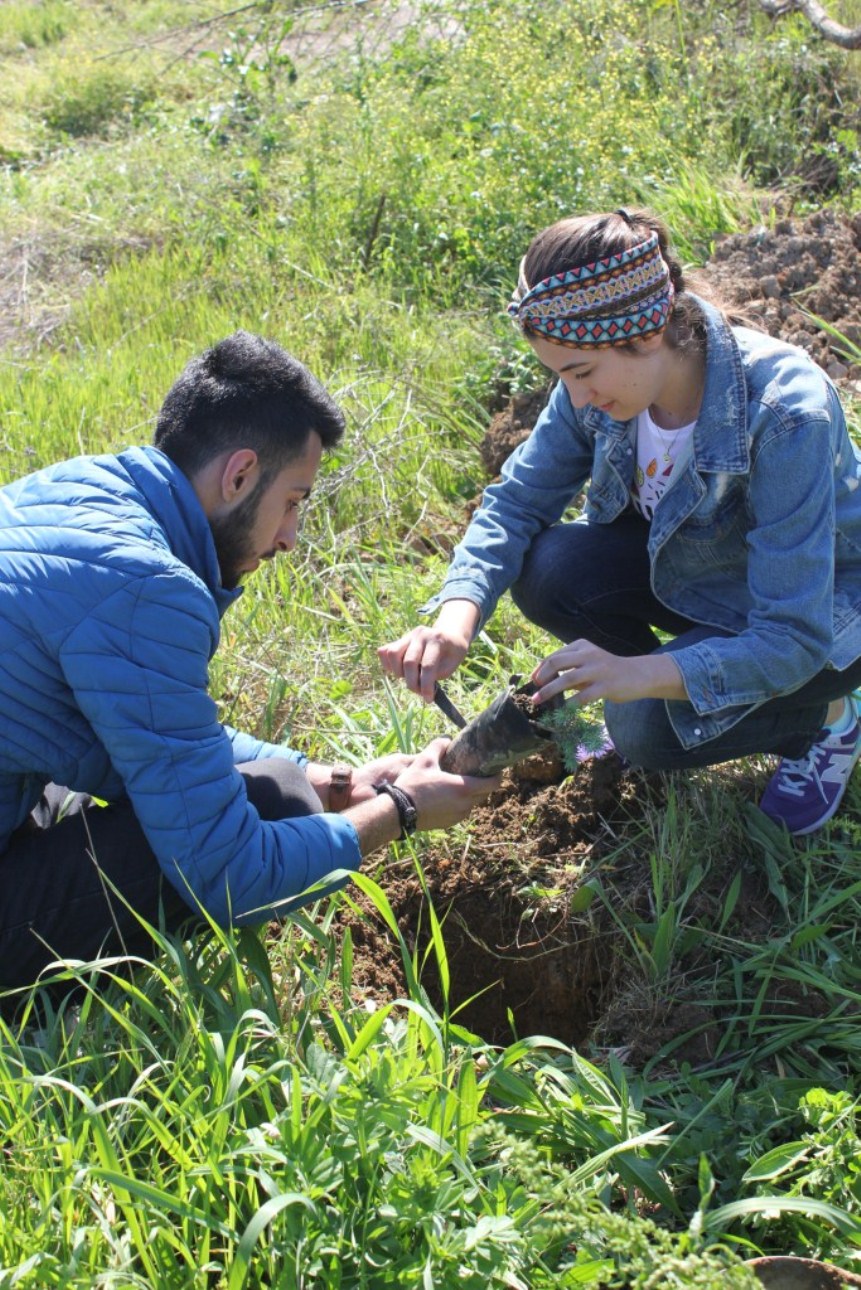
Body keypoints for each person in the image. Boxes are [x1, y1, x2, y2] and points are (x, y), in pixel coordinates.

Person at [0, 330, 496, 997]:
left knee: (272, 786)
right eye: (292, 501)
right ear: (238, 475)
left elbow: (158, 735)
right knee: (267, 807)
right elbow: (232, 878)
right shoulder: (145, 584)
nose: (290, 536)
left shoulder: (78, 490)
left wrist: (333, 780)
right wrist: (400, 810)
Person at [379, 207, 861, 836]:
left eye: (582, 373)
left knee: (642, 732)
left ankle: (826, 720)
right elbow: (518, 500)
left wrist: (639, 677)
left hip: (820, 617)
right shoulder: (604, 385)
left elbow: (792, 637)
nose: (576, 397)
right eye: (560, 376)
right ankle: (682, 690)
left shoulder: (785, 411)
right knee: (550, 569)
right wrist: (454, 620)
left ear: (649, 327)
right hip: (705, 577)